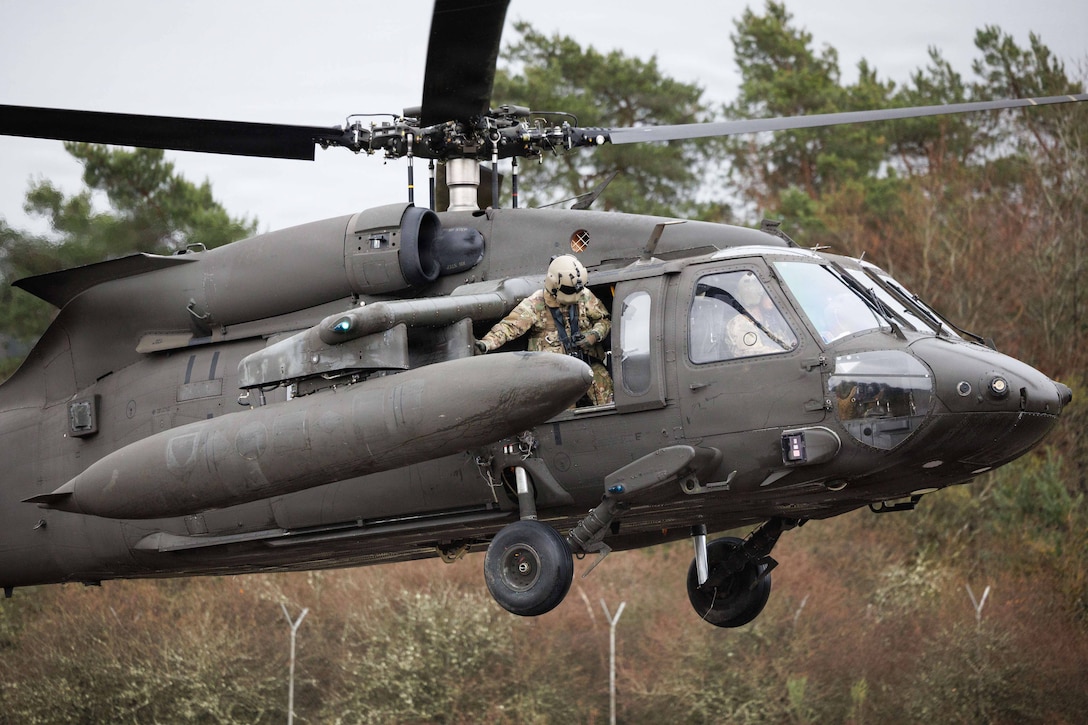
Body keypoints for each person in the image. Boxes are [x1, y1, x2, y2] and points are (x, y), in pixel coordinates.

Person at [476, 255, 613, 406]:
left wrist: (594, 335)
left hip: (587, 363)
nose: (575, 295)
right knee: (560, 405)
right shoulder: (535, 303)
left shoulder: (584, 295)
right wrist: (486, 344)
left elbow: (604, 320)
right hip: (554, 373)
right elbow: (509, 327)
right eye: (569, 290)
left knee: (603, 384)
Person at [725, 272, 796, 356]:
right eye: (767, 295)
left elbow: (781, 343)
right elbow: (753, 353)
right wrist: (786, 352)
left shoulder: (766, 319)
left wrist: (792, 345)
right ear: (756, 296)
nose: (772, 299)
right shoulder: (741, 322)